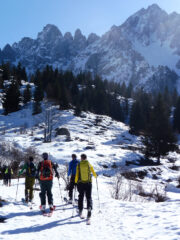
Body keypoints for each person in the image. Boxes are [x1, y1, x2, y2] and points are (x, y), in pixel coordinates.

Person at [75, 153, 97, 220]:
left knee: (81, 196)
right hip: (88, 183)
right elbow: (93, 171)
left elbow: (77, 174)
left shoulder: (79, 164)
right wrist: (95, 176)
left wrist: (76, 181)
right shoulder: (88, 164)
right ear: (86, 158)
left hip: (81, 183)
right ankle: (89, 208)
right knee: (88, 197)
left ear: (81, 158)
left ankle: (80, 210)